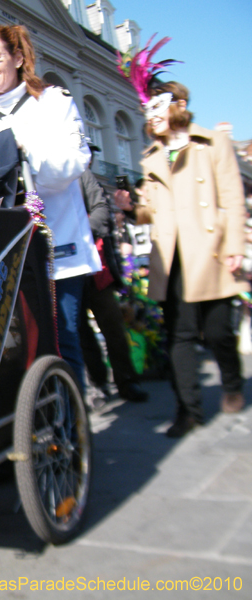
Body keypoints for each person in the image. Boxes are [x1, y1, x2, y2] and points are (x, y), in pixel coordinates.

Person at [0, 25, 101, 390]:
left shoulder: (54, 101)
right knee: (17, 347)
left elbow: (77, 157)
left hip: (58, 247)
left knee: (62, 341)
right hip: (3, 252)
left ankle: (72, 429)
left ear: (18, 59)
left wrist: (25, 159)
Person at [127, 81, 248, 436]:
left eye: (157, 106)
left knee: (217, 332)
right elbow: (151, 211)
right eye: (147, 109)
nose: (151, 115)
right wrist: (134, 207)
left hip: (211, 251)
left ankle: (232, 383)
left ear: (177, 105)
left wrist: (235, 247)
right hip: (172, 258)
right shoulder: (151, 156)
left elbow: (232, 197)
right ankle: (188, 409)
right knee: (178, 335)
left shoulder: (212, 143)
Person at [78, 144, 148, 404]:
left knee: (113, 327)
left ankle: (126, 382)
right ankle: (97, 383)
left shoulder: (84, 177)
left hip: (97, 268)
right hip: (71, 270)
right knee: (81, 333)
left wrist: (75, 230)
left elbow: (102, 217)